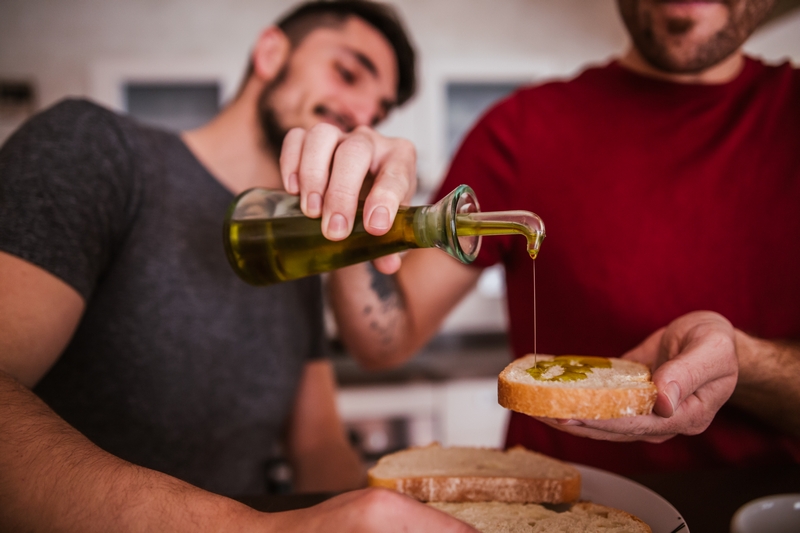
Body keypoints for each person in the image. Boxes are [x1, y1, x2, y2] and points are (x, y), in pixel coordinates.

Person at [0, 1, 477, 532]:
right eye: (347, 73)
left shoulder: (291, 249)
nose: (363, 114)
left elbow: (317, 446)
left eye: (380, 112)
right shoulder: (93, 148)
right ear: (271, 53)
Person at [280, 0, 800, 475]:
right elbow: (387, 339)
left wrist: (745, 362)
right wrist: (354, 220)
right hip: (557, 507)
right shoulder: (520, 128)